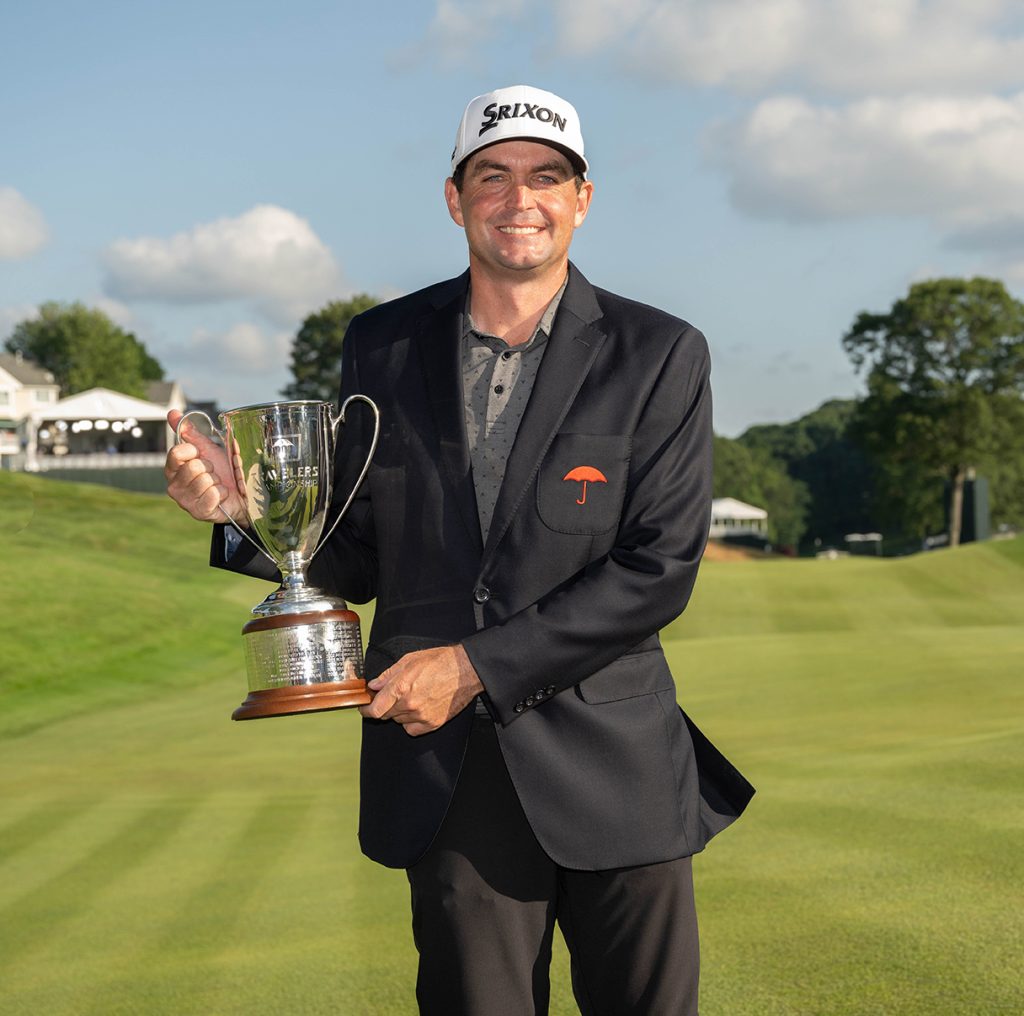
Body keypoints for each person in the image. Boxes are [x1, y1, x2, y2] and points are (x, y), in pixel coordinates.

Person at [165, 84, 753, 1016]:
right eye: (494, 177)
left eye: (546, 177)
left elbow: (657, 568)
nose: (521, 199)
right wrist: (246, 515)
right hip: (446, 774)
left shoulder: (661, 351)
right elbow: (357, 554)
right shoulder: (382, 347)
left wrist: (473, 666)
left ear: (582, 198)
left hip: (617, 767)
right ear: (455, 197)